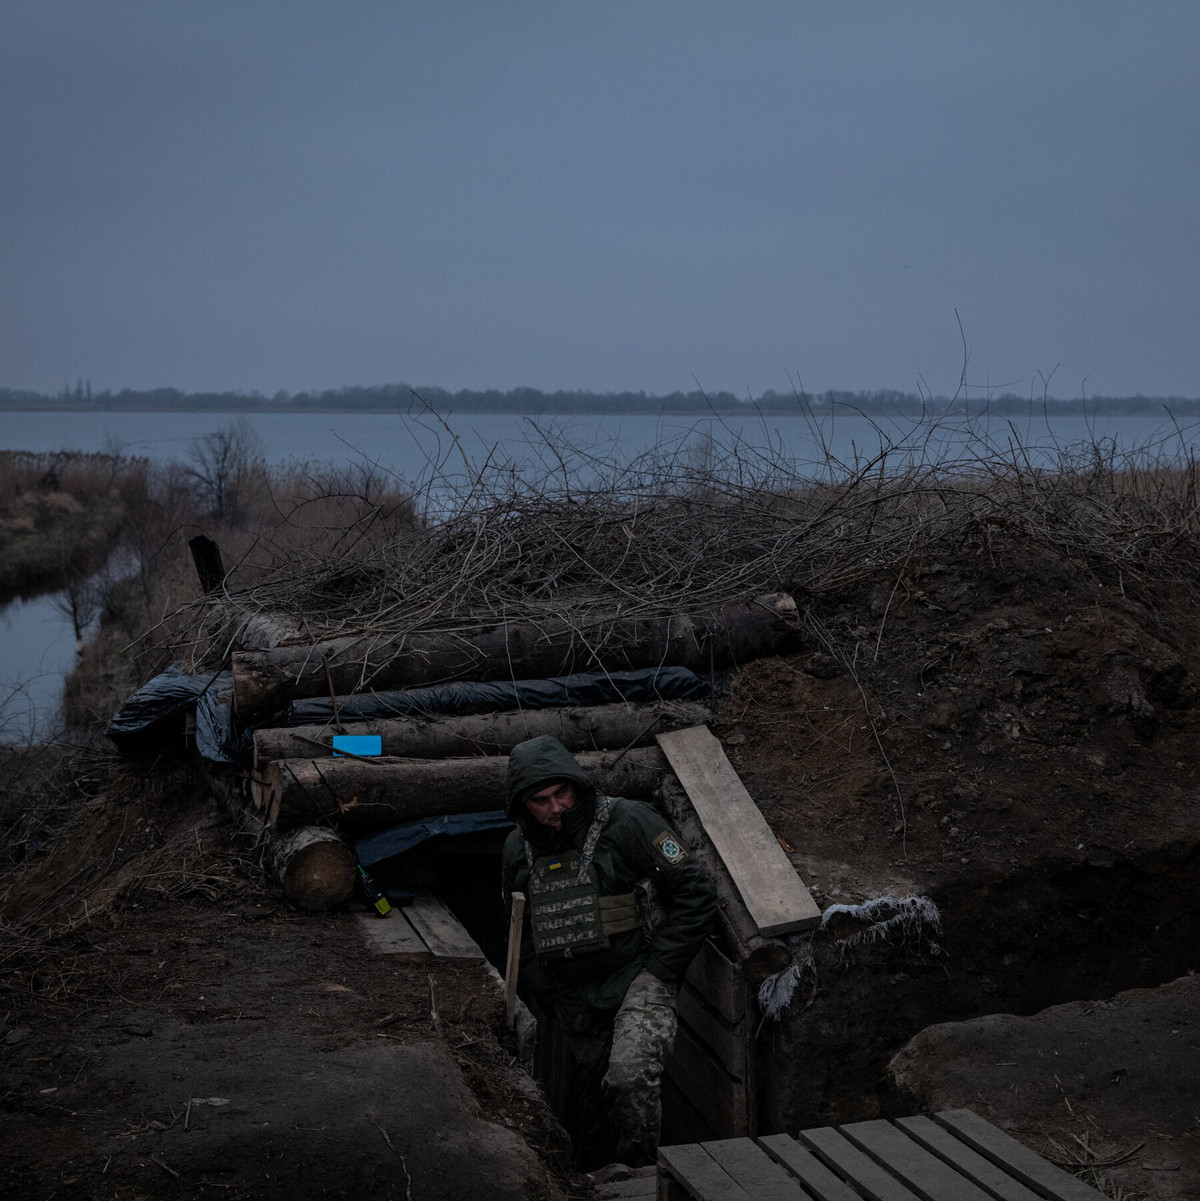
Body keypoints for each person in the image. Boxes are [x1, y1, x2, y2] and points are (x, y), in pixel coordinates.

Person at [500, 735, 717, 1168]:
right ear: (522, 804)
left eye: (562, 793)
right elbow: (517, 930)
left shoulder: (628, 822)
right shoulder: (516, 850)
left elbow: (696, 891)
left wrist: (660, 969)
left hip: (638, 976)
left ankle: (643, 1178)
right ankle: (594, 1179)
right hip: (575, 996)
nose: (556, 807)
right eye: (541, 800)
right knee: (594, 1105)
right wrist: (545, 989)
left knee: (628, 1076)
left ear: (576, 784)